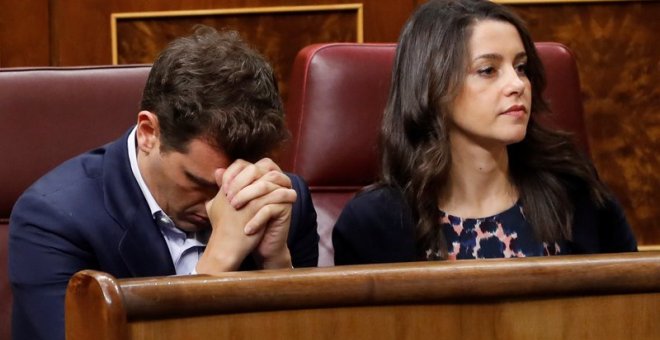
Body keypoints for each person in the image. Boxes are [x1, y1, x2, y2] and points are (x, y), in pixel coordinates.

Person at [9, 26, 318, 340]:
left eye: (237, 179)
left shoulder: (282, 202)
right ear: (148, 133)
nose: (218, 204)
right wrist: (218, 261)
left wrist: (276, 268)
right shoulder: (51, 220)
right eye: (197, 182)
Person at [333, 0, 637, 265]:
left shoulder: (574, 192)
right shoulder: (376, 221)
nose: (517, 85)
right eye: (488, 70)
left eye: (521, 67)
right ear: (432, 87)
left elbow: (631, 311)